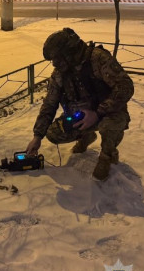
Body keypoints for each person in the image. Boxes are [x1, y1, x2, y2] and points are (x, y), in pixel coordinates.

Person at [25, 28, 134, 181]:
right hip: (81, 116)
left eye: (57, 58)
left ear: (69, 52)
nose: (54, 63)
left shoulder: (97, 59)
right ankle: (86, 135)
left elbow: (125, 86)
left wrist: (97, 113)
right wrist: (37, 136)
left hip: (109, 113)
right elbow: (49, 105)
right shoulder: (59, 74)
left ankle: (107, 155)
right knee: (53, 133)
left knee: (109, 126)